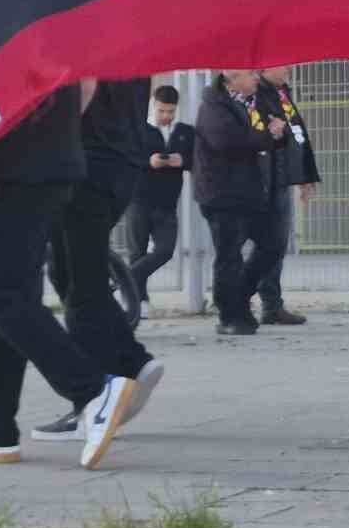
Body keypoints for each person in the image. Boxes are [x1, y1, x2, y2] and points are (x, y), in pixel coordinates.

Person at [0, 83, 137, 469]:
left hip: (11, 163)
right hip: (53, 157)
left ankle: (93, 389)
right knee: (9, 298)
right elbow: (85, 79)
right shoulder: (46, 19)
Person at [33, 78, 161, 443]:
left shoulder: (84, 24)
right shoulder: (130, 27)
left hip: (88, 159)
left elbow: (85, 87)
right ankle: (132, 360)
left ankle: (92, 402)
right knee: (68, 270)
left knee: (79, 283)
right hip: (121, 159)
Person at [194, 70, 288, 335]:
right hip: (222, 194)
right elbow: (227, 142)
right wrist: (269, 135)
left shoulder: (246, 102)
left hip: (247, 192)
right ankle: (229, 315)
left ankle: (238, 298)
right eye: (249, 74)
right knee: (229, 256)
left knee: (272, 244)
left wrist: (276, 133)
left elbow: (264, 137)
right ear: (230, 79)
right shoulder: (213, 105)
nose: (256, 78)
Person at [255, 66, 320, 327]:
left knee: (277, 243)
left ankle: (272, 305)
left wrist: (305, 175)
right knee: (267, 245)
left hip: (281, 180)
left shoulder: (281, 92)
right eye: (282, 64)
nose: (289, 68)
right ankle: (251, 300)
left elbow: (297, 135)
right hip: (264, 182)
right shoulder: (257, 95)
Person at [127, 84, 194, 318]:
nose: (166, 116)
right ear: (153, 106)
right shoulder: (139, 130)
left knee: (165, 250)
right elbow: (129, 159)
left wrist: (181, 160)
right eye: (162, 111)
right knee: (138, 251)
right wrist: (150, 161)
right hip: (139, 200)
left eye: (170, 111)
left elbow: (197, 160)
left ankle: (123, 278)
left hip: (167, 205)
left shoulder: (185, 131)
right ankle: (139, 301)